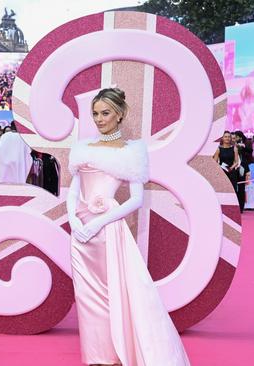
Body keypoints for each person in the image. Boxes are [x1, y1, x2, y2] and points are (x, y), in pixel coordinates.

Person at [67, 88, 190, 366]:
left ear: (120, 114)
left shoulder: (132, 151)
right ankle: (96, 357)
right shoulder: (82, 148)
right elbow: (73, 190)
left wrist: (97, 222)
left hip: (108, 231)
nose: (99, 119)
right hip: (80, 234)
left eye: (105, 113)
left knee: (116, 294)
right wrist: (74, 220)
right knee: (86, 298)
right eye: (95, 113)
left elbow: (136, 200)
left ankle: (116, 355)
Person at [213, 131, 240, 198]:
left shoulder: (234, 148)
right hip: (222, 172)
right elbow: (215, 162)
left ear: (230, 138)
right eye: (225, 137)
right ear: (222, 138)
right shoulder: (219, 149)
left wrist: (231, 167)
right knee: (223, 190)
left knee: (233, 191)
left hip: (232, 172)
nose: (227, 138)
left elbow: (236, 162)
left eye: (228, 137)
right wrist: (219, 168)